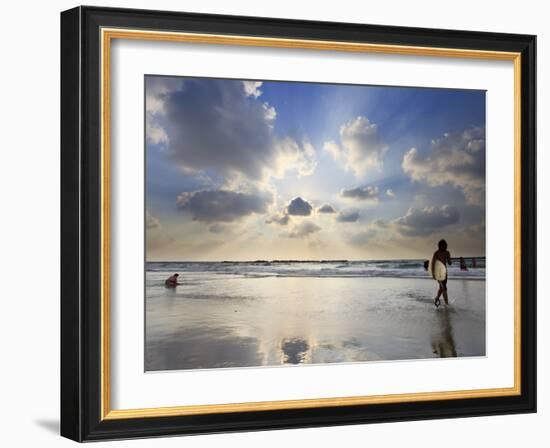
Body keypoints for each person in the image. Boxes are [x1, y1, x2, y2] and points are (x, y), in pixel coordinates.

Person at [431, 239, 452, 307]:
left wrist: (449, 260)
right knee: (444, 288)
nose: (444, 247)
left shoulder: (447, 252)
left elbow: (449, 263)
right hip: (438, 273)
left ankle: (437, 298)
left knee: (442, 288)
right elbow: (432, 264)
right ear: (439, 246)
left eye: (445, 246)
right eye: (442, 246)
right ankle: (447, 304)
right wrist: (433, 273)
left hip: (445, 273)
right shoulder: (436, 253)